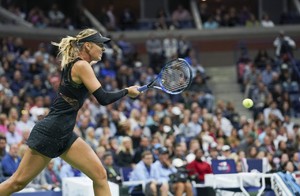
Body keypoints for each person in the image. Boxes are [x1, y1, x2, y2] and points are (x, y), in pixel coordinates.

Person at [0, 28, 140, 196]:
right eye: (100, 45)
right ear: (87, 46)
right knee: (16, 183)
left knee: (100, 175)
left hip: (65, 134)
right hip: (51, 132)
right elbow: (103, 99)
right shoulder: (81, 66)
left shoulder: (76, 64)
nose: (103, 49)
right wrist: (127, 91)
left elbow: (87, 66)